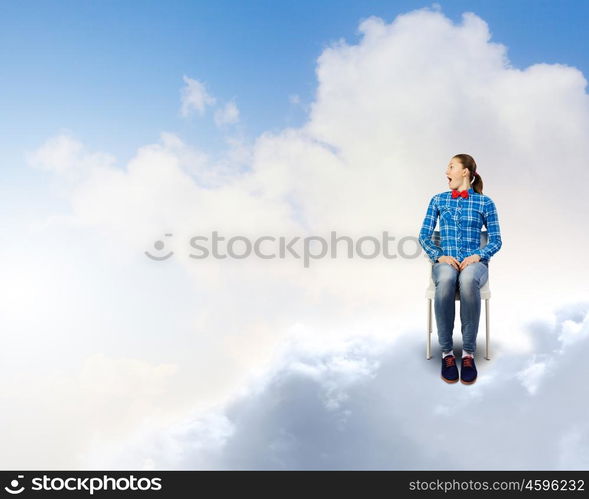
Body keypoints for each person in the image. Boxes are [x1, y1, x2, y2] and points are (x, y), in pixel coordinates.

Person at [418, 154, 503, 385]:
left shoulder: (485, 203)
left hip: (474, 263)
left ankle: (467, 354)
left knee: (467, 281)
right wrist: (439, 255)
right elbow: (424, 236)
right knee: (445, 279)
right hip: (445, 261)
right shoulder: (438, 200)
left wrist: (479, 255)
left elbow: (496, 240)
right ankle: (447, 354)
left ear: (465, 172)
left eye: (451, 167)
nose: (446, 171)